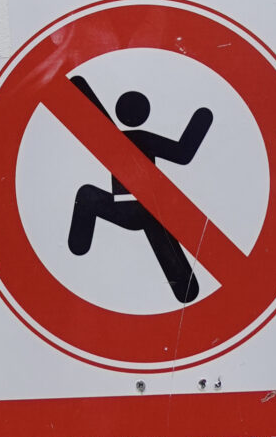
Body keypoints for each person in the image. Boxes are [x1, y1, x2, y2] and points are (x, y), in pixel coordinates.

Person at [65, 77, 213, 305]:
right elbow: (183, 153)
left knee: (87, 194)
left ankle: (79, 243)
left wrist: (202, 118)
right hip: (149, 212)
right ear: (144, 112)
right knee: (160, 234)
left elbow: (96, 119)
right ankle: (184, 287)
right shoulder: (138, 139)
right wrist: (202, 119)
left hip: (125, 209)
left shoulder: (113, 140)